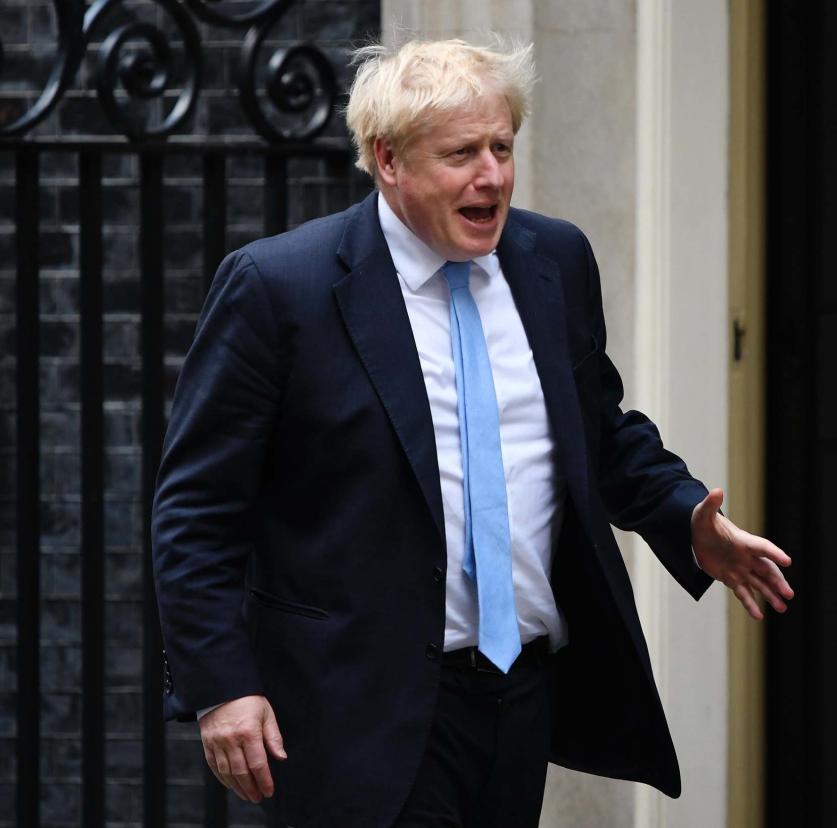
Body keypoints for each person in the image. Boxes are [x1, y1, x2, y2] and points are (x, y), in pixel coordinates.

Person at [151, 38, 793, 828]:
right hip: (358, 708)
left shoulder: (552, 258)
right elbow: (195, 509)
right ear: (387, 160)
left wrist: (687, 518)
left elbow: (596, 431)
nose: (491, 175)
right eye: (461, 154)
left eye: (501, 146)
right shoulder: (281, 289)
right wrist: (222, 684)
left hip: (520, 695)